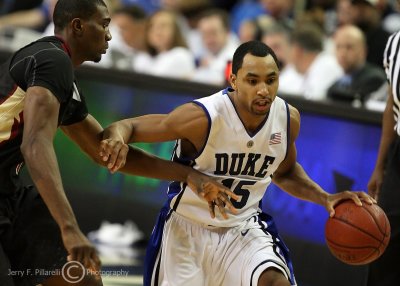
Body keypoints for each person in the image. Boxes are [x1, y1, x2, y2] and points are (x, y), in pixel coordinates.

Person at [100, 41, 375, 286]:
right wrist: (116, 135)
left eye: (271, 80)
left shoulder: (287, 119)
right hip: (186, 232)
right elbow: (129, 127)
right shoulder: (203, 117)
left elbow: (286, 172)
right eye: (252, 81)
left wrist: (326, 198)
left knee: (275, 281)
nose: (263, 90)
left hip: (243, 230)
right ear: (233, 80)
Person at [0, 0, 235, 285]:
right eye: (104, 24)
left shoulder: (58, 75)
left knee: (83, 278)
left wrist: (188, 175)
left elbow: (103, 152)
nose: (110, 35)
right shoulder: (52, 60)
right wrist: (69, 227)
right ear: (77, 26)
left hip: (10, 195)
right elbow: (35, 145)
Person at [366, 29, 400, 286]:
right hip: (399, 155)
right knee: (385, 243)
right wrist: (380, 166)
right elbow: (392, 106)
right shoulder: (394, 43)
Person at [327, 24, 387, 106]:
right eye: (338, 47)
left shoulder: (374, 79)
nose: (343, 53)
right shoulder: (334, 84)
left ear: (363, 50)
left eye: (349, 47)